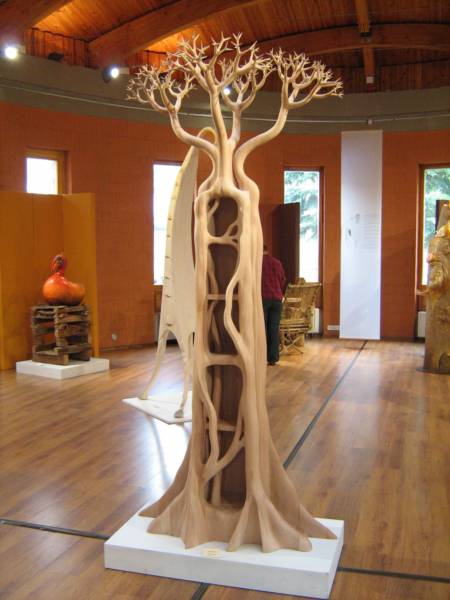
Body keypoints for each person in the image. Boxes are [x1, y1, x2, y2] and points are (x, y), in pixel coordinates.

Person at [261, 244, 286, 365]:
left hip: (263, 298)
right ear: (267, 250)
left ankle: (261, 357)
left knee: (262, 328)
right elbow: (282, 279)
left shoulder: (257, 263)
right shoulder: (277, 262)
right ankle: (273, 358)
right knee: (274, 329)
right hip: (277, 299)